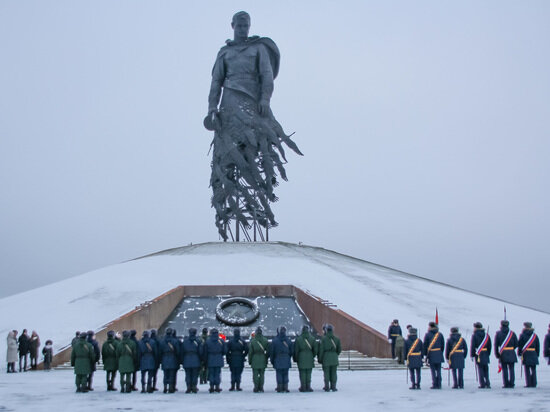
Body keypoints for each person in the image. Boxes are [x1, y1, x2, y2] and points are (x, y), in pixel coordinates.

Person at [206, 11, 302, 240]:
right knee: (229, 159)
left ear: (249, 26)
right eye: (239, 25)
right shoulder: (224, 53)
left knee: (254, 151)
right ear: (232, 26)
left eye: (245, 25)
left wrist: (265, 100)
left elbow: (267, 76)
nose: (242, 29)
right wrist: (211, 109)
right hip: (228, 105)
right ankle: (231, 208)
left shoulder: (258, 49)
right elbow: (216, 83)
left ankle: (259, 202)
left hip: (252, 104)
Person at [494, 320, 518, 388]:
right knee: (512, 369)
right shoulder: (512, 333)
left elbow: (496, 345)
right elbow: (516, 344)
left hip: (503, 353)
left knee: (504, 369)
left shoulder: (498, 334)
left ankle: (506, 383)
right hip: (511, 352)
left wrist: (497, 354)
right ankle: (512, 383)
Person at [318, 324, 341, 392]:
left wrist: (320, 358)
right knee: (334, 373)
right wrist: (335, 354)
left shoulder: (323, 339)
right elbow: (339, 349)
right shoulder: (337, 339)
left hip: (326, 357)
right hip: (334, 358)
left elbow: (321, 350)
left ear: (326, 330)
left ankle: (327, 387)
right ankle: (333, 387)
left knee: (326, 373)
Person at [294, 325, 317, 392]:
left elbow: (296, 350)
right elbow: (315, 350)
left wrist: (296, 358)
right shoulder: (312, 339)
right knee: (309, 373)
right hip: (310, 356)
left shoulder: (298, 339)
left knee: (302, 373)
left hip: (301, 357)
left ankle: (303, 387)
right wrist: (312, 355)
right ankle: (308, 386)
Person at [203, 328, 226, 393]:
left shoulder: (208, 341)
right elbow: (225, 350)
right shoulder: (221, 341)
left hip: (210, 358)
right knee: (217, 373)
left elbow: (205, 352)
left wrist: (205, 360)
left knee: (211, 374)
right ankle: (217, 387)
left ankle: (211, 387)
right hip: (218, 358)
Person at [518, 321, 540, 388]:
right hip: (533, 353)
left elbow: (520, 345)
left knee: (527, 370)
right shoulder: (535, 336)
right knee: (533, 369)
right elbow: (537, 346)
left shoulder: (522, 335)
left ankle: (528, 383)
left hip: (526, 353)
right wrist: (537, 355)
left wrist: (519, 353)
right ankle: (534, 383)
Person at [423, 321, 445, 389]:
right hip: (439, 353)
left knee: (433, 370)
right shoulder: (440, 334)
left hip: (431, 354)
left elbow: (425, 345)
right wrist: (440, 352)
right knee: (438, 370)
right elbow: (442, 345)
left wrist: (425, 355)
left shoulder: (427, 334)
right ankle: (439, 384)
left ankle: (434, 384)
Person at [470, 322, 491, 389]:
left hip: (478, 354)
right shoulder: (486, 335)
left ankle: (482, 384)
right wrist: (488, 353)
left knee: (480, 369)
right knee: (486, 369)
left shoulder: (475, 335)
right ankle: (487, 383)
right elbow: (489, 346)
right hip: (485, 353)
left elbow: (472, 346)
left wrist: (472, 355)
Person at [181, 328, 202, 393]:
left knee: (188, 375)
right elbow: (201, 352)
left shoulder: (185, 341)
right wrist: (201, 360)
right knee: (194, 375)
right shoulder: (198, 341)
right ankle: (194, 387)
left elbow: (182, 352)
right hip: (195, 359)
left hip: (186, 359)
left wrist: (182, 360)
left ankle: (188, 387)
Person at [248, 326, 269, 393]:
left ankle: (256, 387)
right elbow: (268, 351)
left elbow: (250, 352)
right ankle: (261, 387)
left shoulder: (253, 341)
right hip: (263, 357)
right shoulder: (265, 340)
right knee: (262, 374)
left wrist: (250, 360)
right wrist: (266, 358)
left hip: (255, 358)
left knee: (255, 374)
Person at [160, 328, 180, 393]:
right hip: (173, 358)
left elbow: (160, 352)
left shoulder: (162, 341)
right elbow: (178, 351)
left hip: (165, 358)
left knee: (165, 374)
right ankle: (171, 387)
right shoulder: (175, 341)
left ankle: (165, 387)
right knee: (172, 374)